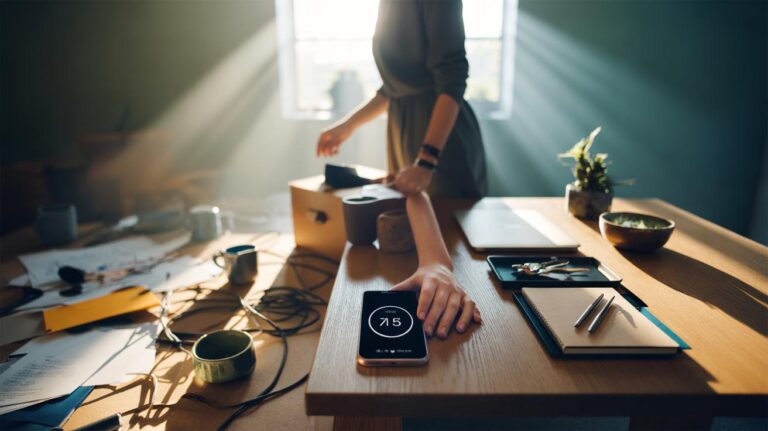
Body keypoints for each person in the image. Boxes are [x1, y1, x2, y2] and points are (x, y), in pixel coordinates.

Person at [316, 0, 485, 338]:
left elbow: (452, 81)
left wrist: (427, 159)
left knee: (458, 244)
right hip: (404, 127)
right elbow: (393, 87)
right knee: (408, 229)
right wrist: (347, 126)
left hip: (440, 137)